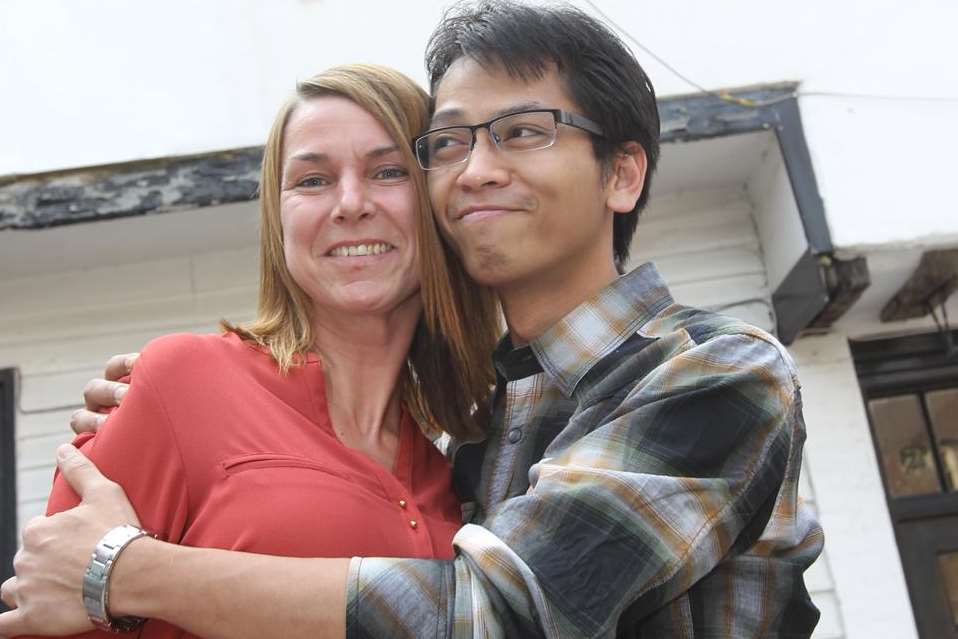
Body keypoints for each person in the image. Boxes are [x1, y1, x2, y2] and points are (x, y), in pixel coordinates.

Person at [1, 2, 824, 637]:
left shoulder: (711, 370)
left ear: (622, 174)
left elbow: (500, 611)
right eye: (452, 143)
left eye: (525, 132)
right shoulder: (476, 431)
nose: (478, 169)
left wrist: (128, 569)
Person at [1, 63, 501, 638]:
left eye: (388, 172)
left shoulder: (454, 469)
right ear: (278, 215)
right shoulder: (179, 381)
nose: (349, 203)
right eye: (311, 180)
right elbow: (44, 609)